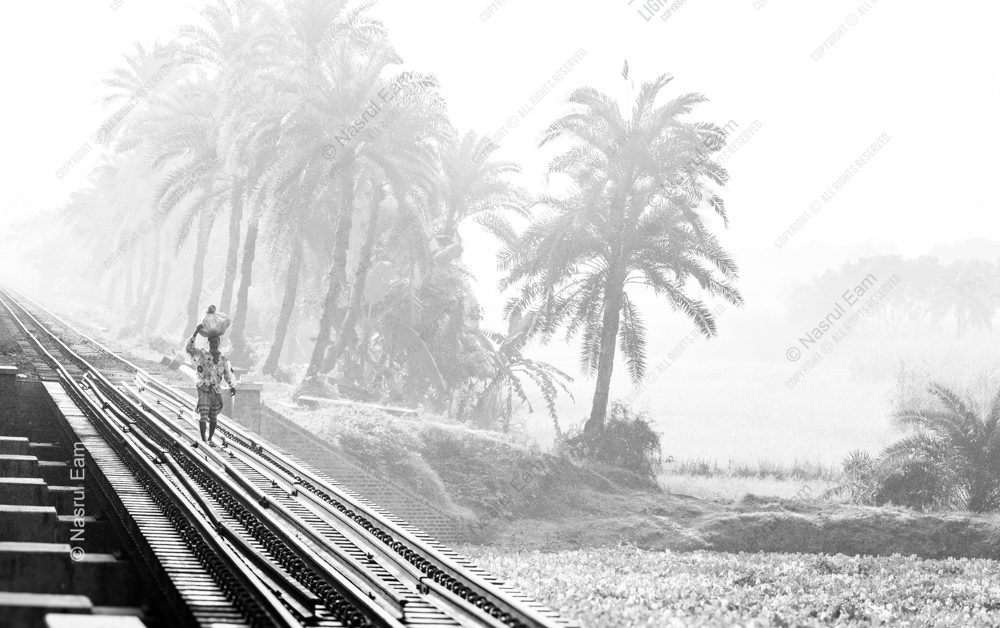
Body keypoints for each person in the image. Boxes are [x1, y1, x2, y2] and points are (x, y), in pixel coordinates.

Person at [186, 324, 236, 446]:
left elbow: (228, 373)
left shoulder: (223, 359)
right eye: (211, 342)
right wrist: (196, 331)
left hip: (216, 390)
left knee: (213, 416)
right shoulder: (201, 354)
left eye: (216, 342)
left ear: (218, 343)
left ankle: (210, 438)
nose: (214, 344)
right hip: (203, 387)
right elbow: (189, 349)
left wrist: (232, 386)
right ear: (208, 343)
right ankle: (203, 439)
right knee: (203, 413)